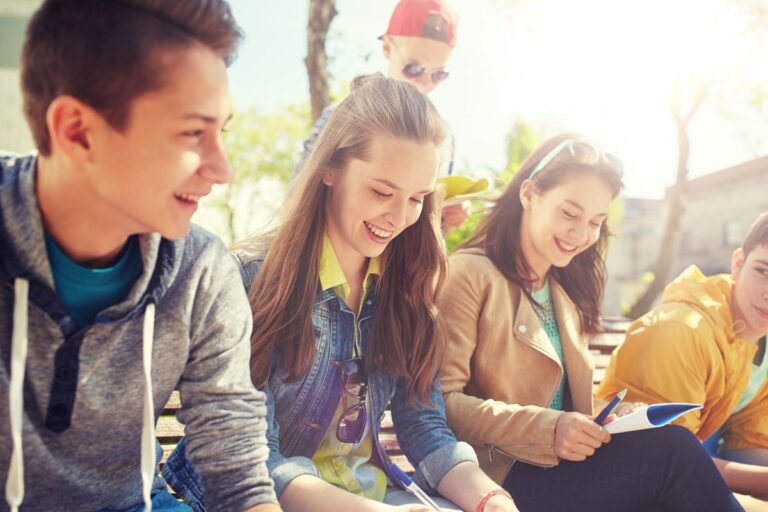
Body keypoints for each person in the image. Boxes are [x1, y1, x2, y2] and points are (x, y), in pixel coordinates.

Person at [164, 75, 518, 512]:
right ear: (330, 168)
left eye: (418, 199)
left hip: (375, 499)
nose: (399, 217)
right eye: (382, 191)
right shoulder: (247, 279)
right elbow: (254, 464)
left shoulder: (408, 285)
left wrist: (491, 499)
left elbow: (426, 427)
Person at [0, 1, 280, 510]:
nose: (223, 168)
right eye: (194, 133)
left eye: (224, 131)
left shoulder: (202, 274)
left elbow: (238, 474)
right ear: (77, 131)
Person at [437, 134, 743, 511]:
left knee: (670, 450)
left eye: (596, 222)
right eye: (570, 213)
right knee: (673, 454)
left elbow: (558, 399)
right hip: (496, 476)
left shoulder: (564, 293)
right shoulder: (469, 273)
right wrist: (550, 428)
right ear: (529, 194)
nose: (581, 234)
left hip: (561, 469)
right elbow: (442, 404)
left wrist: (608, 416)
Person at [597, 212, 768, 502]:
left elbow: (747, 442)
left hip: (693, 466)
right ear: (739, 263)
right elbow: (665, 462)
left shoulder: (759, 342)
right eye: (763, 271)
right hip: (625, 485)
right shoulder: (682, 330)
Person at [296, 0, 471, 233]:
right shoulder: (338, 119)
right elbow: (296, 203)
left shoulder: (444, 139)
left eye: (438, 74)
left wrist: (446, 218)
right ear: (388, 48)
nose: (424, 81)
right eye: (414, 68)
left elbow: (427, 236)